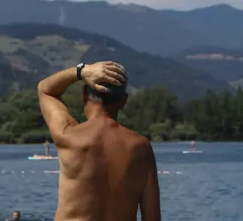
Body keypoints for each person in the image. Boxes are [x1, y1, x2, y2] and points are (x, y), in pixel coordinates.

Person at [37, 60, 161, 221]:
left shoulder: (68, 135)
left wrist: (81, 71)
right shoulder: (140, 147)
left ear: (84, 96)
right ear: (124, 102)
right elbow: (152, 218)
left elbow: (45, 90)